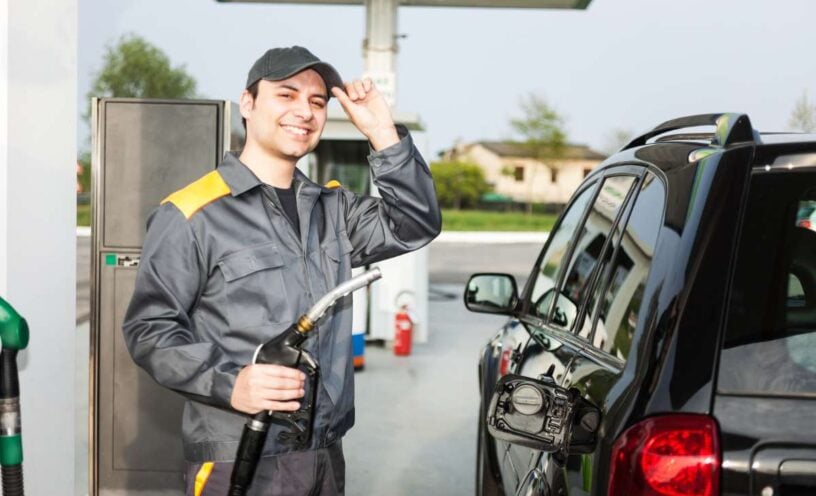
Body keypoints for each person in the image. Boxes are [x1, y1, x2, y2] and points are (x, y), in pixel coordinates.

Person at [122, 46, 441, 495]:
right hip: (238, 454)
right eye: (286, 95)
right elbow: (150, 330)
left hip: (323, 453)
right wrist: (232, 384)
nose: (304, 112)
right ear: (248, 105)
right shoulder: (192, 213)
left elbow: (416, 222)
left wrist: (383, 133)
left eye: (317, 102)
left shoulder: (334, 209)